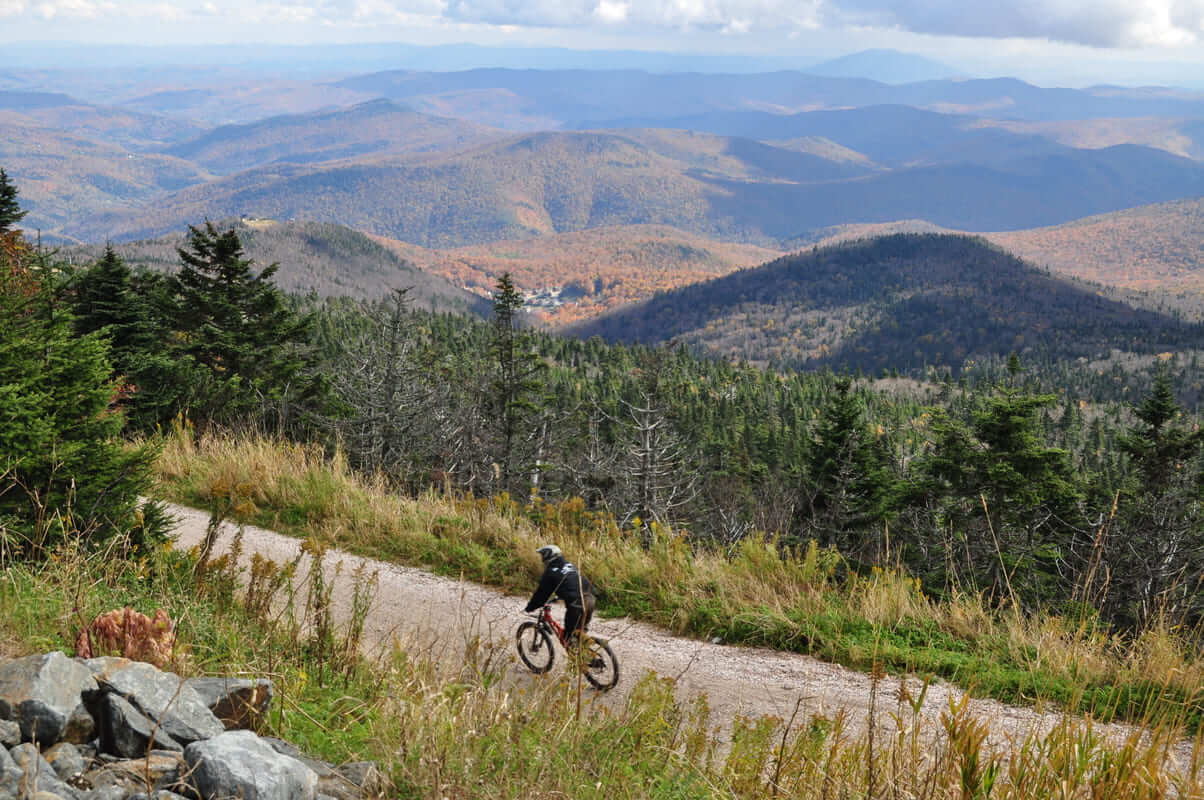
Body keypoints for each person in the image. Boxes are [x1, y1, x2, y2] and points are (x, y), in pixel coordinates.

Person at [524, 544, 595, 645]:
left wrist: (530, 607)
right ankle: (584, 653)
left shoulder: (550, 572)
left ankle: (589, 657)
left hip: (577, 604)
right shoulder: (569, 565)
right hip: (590, 599)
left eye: (542, 556)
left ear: (548, 556)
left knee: (568, 636)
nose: (542, 559)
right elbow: (572, 584)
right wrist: (562, 595)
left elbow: (541, 594)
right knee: (579, 633)